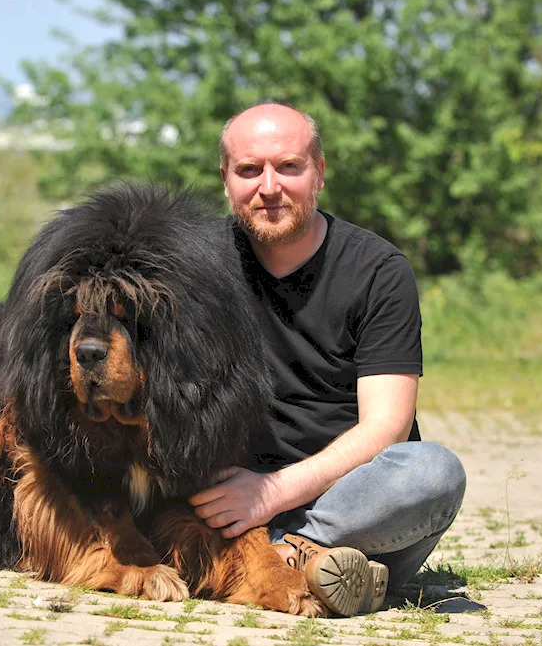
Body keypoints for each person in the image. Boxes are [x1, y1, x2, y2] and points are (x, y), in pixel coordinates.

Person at [189, 103, 467, 617]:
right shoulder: (193, 265)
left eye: (289, 167)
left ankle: (288, 554)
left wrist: (271, 494)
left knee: (434, 473)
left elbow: (386, 425)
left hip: (351, 508)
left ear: (320, 172)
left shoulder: (379, 270)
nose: (269, 186)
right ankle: (316, 573)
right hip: (231, 509)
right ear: (226, 180)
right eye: (249, 170)